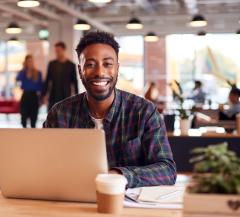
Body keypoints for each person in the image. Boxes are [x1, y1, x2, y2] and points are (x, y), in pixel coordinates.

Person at [43, 31, 176, 188]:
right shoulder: (59, 114)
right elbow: (44, 164)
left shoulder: (144, 112)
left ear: (117, 69)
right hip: (72, 203)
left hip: (129, 208)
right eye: (90, 65)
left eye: (107, 64)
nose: (100, 72)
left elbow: (167, 171)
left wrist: (118, 176)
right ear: (80, 71)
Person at [42, 42, 79, 111]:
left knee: (65, 117)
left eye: (59, 51)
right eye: (56, 51)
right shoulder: (52, 64)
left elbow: (74, 82)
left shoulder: (71, 65)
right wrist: (44, 94)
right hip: (53, 95)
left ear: (64, 50)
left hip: (66, 95)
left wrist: (77, 97)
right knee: (52, 116)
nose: (57, 53)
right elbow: (47, 80)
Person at [16, 55, 43, 128]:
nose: (30, 63)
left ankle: (32, 138)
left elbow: (40, 87)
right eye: (28, 61)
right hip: (25, 96)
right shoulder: (22, 72)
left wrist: (41, 99)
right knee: (23, 120)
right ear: (26, 62)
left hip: (34, 97)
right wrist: (25, 71)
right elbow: (18, 81)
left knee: (33, 121)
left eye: (31, 61)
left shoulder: (38, 73)